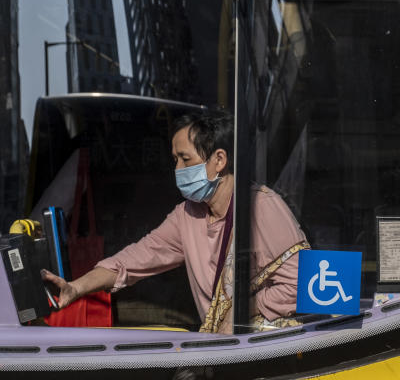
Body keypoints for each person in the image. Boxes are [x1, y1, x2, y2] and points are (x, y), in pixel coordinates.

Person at [41, 110, 309, 334]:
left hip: (269, 356)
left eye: (185, 159)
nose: (177, 170)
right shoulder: (187, 216)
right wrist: (75, 288)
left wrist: (243, 311)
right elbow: (133, 260)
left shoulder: (261, 208)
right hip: (223, 350)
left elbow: (302, 284)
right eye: (175, 160)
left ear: (219, 160)